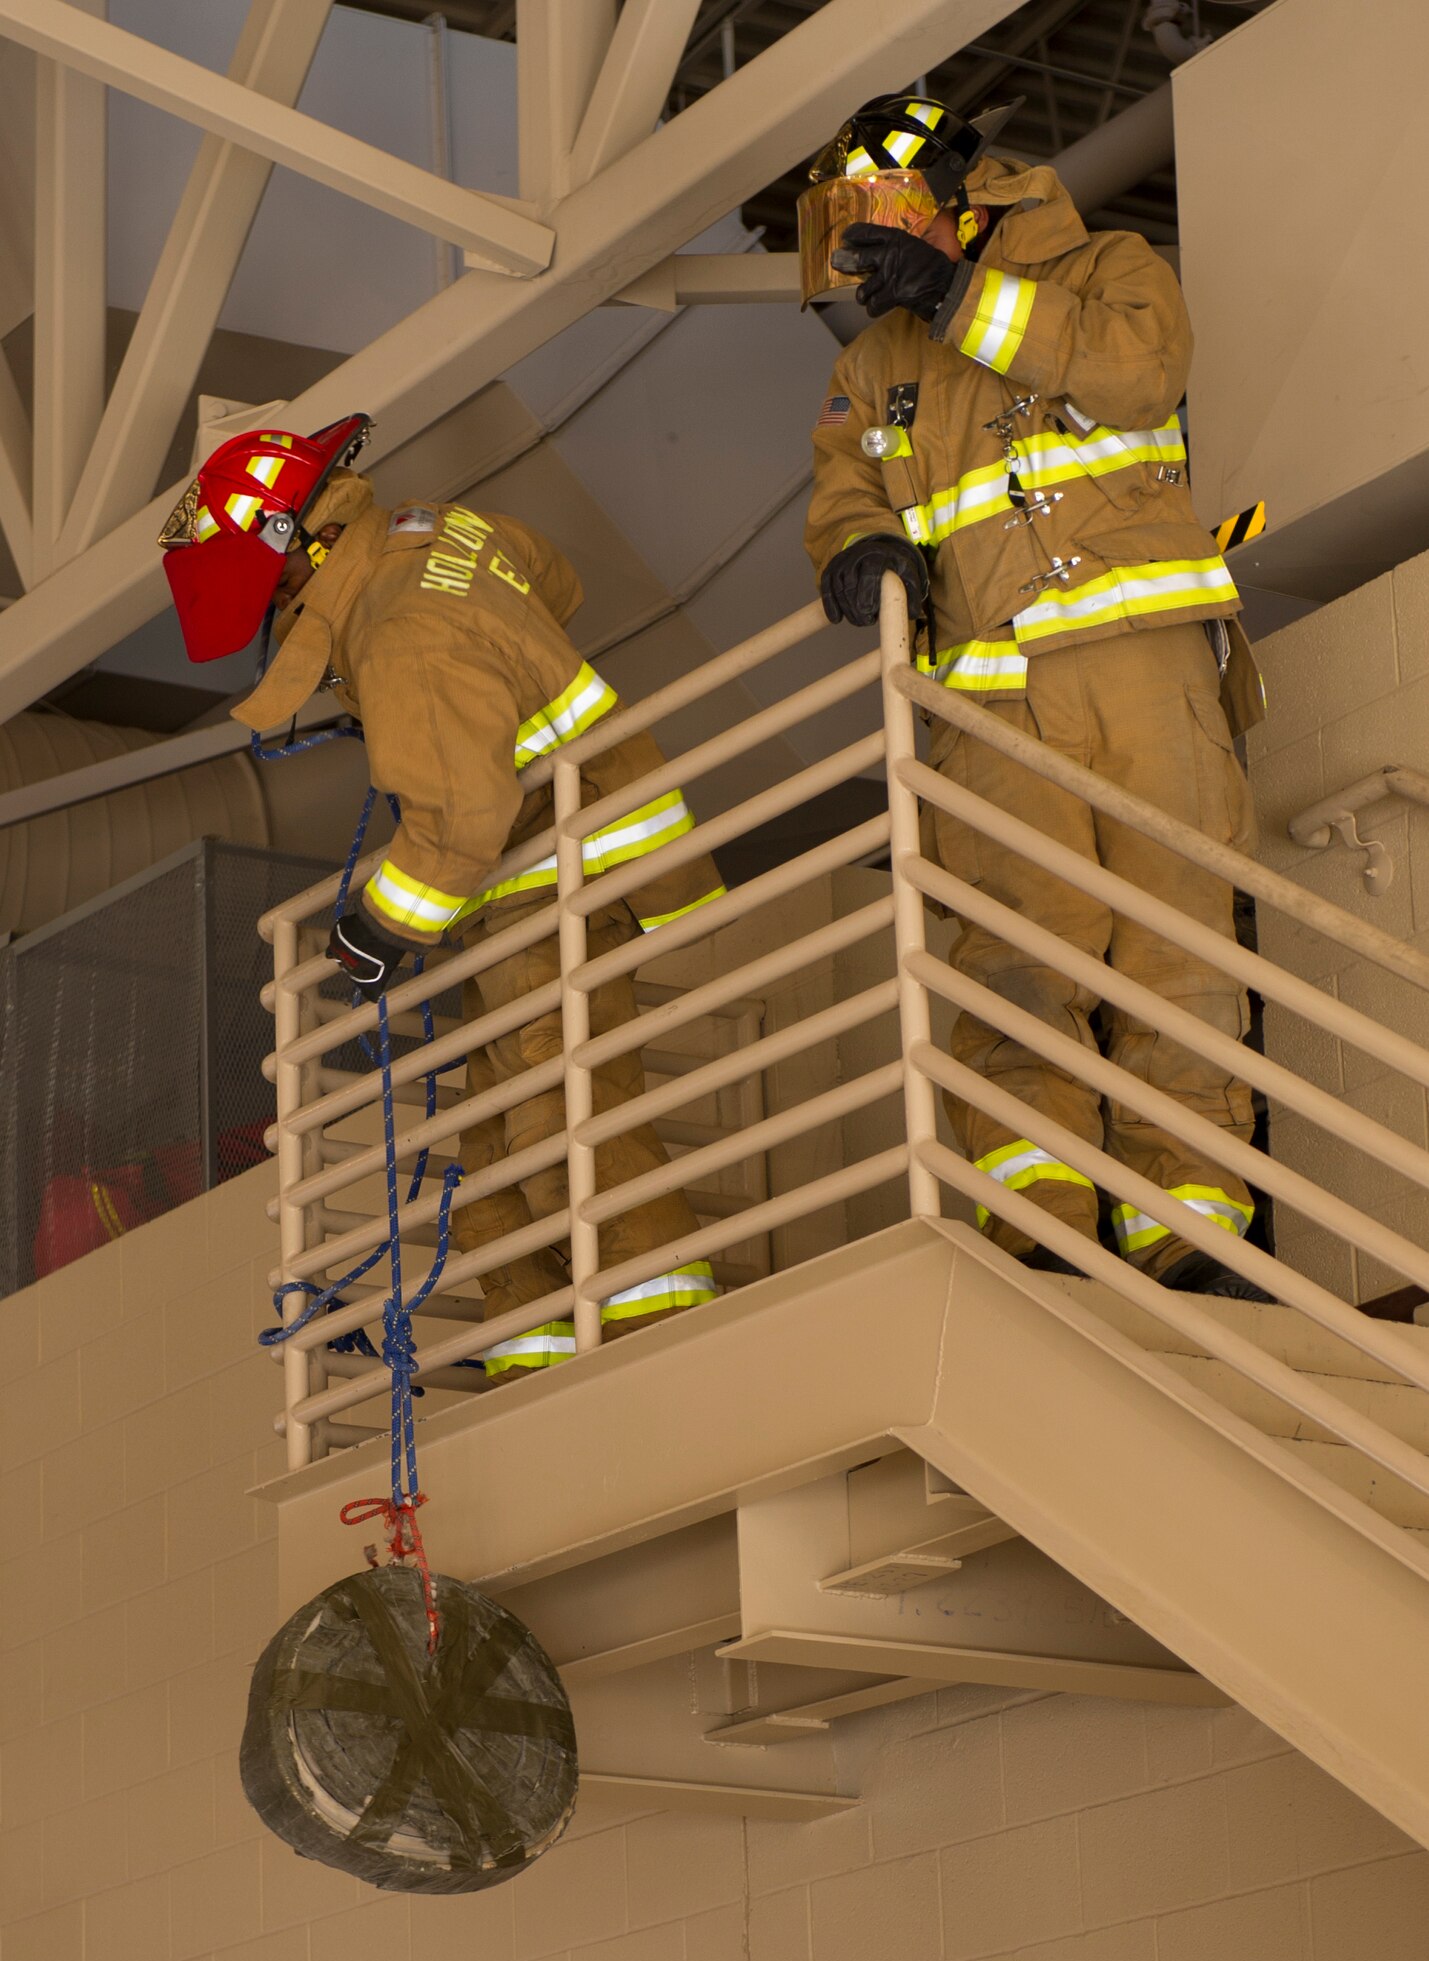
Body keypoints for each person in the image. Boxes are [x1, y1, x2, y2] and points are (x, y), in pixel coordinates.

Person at [800, 95, 1272, 1300]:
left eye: (878, 204)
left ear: (956, 195)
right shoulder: (871, 364)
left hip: (1143, 661)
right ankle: (1039, 1225)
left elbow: (1137, 374)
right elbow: (843, 482)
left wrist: (960, 299)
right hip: (989, 698)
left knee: (1176, 942)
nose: (858, 235)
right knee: (1014, 963)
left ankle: (1190, 1229)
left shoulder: (1107, 267)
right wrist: (855, 542)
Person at [159, 418, 724, 1378]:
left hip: (555, 873)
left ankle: (664, 1338)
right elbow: (553, 579)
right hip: (533, 880)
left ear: (297, 544)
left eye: (274, 588)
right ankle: (537, 1355)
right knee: (494, 1155)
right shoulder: (429, 532)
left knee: (555, 1129)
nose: (278, 607)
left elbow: (462, 817)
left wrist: (378, 928)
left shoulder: (401, 633)